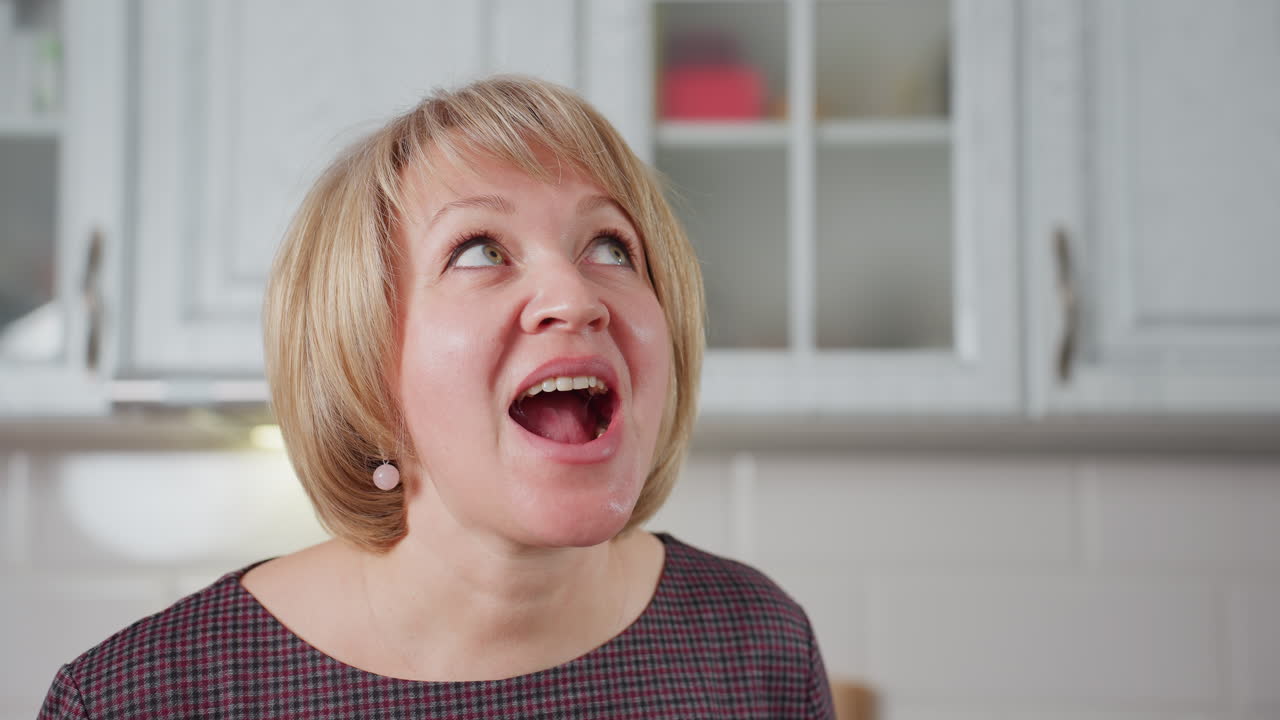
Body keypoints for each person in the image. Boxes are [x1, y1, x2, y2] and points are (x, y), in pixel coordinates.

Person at [39, 75, 835, 718]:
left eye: (609, 245)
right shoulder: (137, 700)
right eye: (481, 250)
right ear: (365, 366)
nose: (575, 295)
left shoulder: (756, 646)